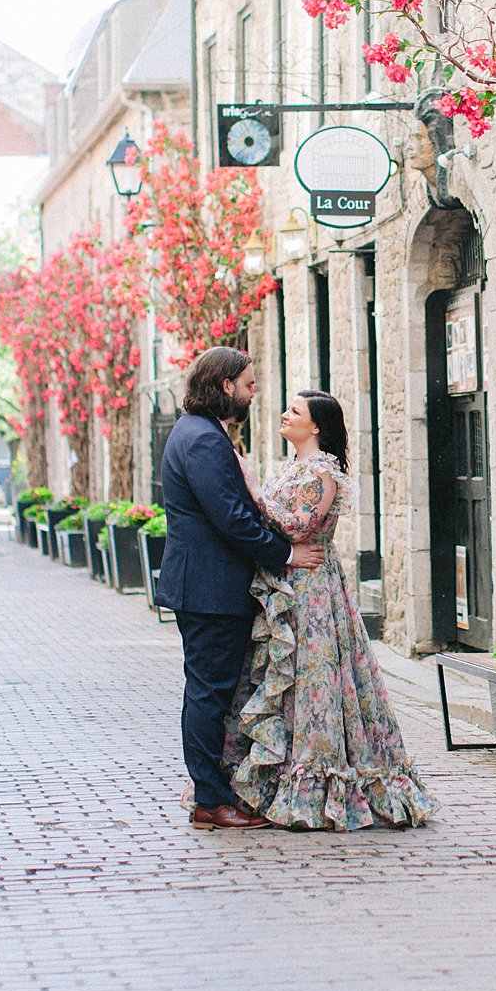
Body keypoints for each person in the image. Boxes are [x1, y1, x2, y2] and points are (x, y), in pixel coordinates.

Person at [224, 389, 436, 830]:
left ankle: (318, 785)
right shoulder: (299, 467)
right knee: (291, 678)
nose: (285, 414)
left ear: (315, 426)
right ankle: (276, 773)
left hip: (312, 591)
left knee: (316, 676)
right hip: (291, 582)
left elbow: (299, 525)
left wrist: (251, 491)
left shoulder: (323, 472)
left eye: (295, 411)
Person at [155, 347, 325, 831]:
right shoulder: (204, 439)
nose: (255, 394)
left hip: (208, 585)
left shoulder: (200, 432)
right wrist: (287, 554)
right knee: (209, 693)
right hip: (208, 587)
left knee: (211, 691)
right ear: (226, 385)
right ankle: (210, 800)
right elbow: (230, 518)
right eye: (250, 385)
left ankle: (214, 793)